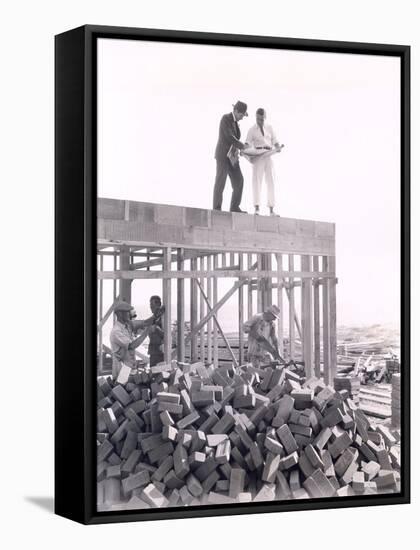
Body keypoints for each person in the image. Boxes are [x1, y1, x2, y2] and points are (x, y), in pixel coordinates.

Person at [109, 300, 163, 378]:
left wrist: (156, 314)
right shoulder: (116, 331)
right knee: (121, 389)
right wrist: (147, 331)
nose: (129, 314)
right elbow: (132, 345)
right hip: (122, 371)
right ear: (120, 314)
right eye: (127, 312)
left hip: (130, 369)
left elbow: (145, 323)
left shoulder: (128, 325)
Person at [245, 108, 283, 216]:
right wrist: (246, 151)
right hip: (258, 155)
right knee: (257, 181)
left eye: (261, 119)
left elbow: (275, 141)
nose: (259, 121)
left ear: (265, 118)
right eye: (257, 119)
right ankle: (257, 208)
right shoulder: (252, 130)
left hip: (269, 154)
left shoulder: (270, 128)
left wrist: (278, 147)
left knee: (271, 181)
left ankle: (271, 210)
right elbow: (247, 143)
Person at [213, 100, 248, 213]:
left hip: (232, 157)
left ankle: (234, 207)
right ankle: (217, 208)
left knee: (239, 181)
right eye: (241, 115)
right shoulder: (225, 119)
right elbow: (229, 137)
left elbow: (235, 140)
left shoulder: (236, 124)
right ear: (236, 111)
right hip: (223, 156)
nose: (242, 117)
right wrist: (242, 146)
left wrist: (241, 150)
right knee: (220, 181)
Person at [147, 295, 165, 367]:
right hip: (153, 351)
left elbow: (167, 335)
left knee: (159, 374)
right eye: (150, 305)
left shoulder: (163, 319)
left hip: (160, 352)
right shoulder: (154, 318)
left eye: (153, 305)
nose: (151, 308)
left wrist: (157, 328)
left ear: (158, 305)